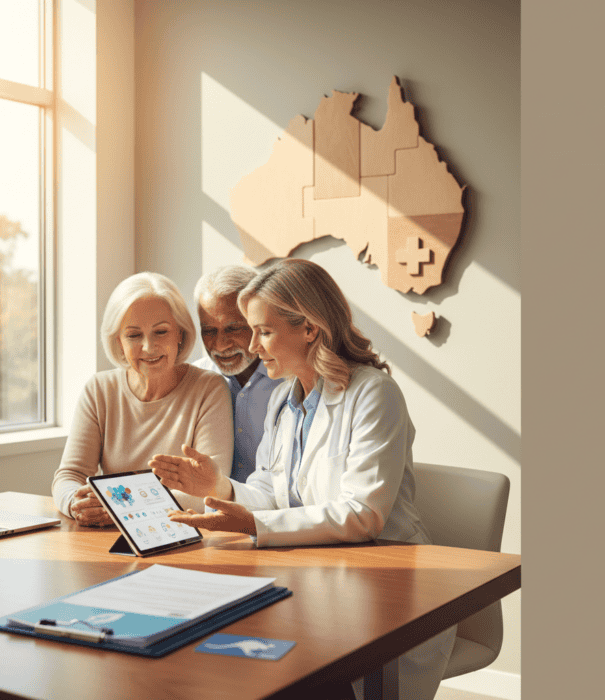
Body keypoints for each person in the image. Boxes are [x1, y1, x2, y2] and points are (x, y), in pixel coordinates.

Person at [149, 258, 455, 700]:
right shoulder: (286, 401)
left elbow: (363, 514)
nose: (252, 346)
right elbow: (275, 492)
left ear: (309, 328)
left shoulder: (373, 393)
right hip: (318, 574)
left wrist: (253, 525)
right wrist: (218, 488)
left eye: (264, 331)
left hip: (385, 586)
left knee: (293, 676)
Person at [52, 272, 233, 526]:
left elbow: (210, 488)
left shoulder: (209, 388)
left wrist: (118, 506)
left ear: (180, 334)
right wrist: (75, 503)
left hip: (182, 536)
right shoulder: (99, 389)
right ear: (119, 341)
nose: (148, 347)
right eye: (134, 335)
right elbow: (70, 475)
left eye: (160, 332)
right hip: (109, 536)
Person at [192, 265, 282, 482]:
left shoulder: (291, 378)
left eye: (233, 328)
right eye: (209, 331)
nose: (220, 345)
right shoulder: (195, 380)